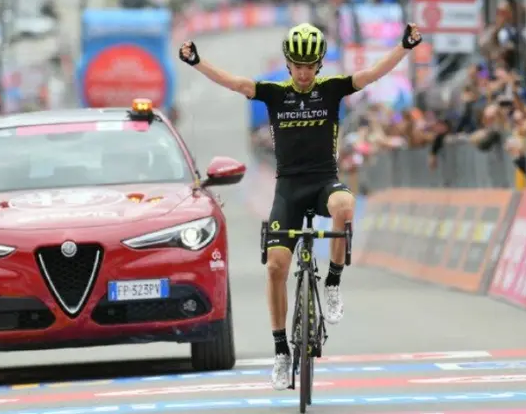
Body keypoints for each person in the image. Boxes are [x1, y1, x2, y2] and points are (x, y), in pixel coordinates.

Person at [178, 22, 423, 390]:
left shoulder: (332, 89)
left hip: (324, 180)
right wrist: (197, 61)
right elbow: (235, 83)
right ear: (289, 64)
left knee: (345, 205)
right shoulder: (275, 94)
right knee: (276, 267)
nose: (304, 72)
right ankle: (280, 351)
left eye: (311, 65)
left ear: (320, 65)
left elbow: (373, 74)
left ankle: (334, 282)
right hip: (288, 190)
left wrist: (405, 45)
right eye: (298, 65)